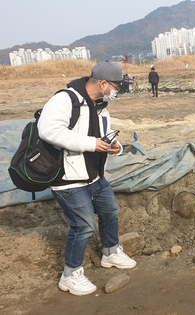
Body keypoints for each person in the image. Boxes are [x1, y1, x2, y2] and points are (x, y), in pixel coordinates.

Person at [37, 61, 136, 296]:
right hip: (68, 178)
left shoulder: (101, 107)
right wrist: (92, 144)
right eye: (116, 85)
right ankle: (70, 275)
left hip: (93, 176)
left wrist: (115, 147)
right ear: (102, 83)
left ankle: (110, 253)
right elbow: (48, 130)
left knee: (110, 210)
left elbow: (102, 137)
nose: (118, 90)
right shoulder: (66, 100)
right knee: (82, 226)